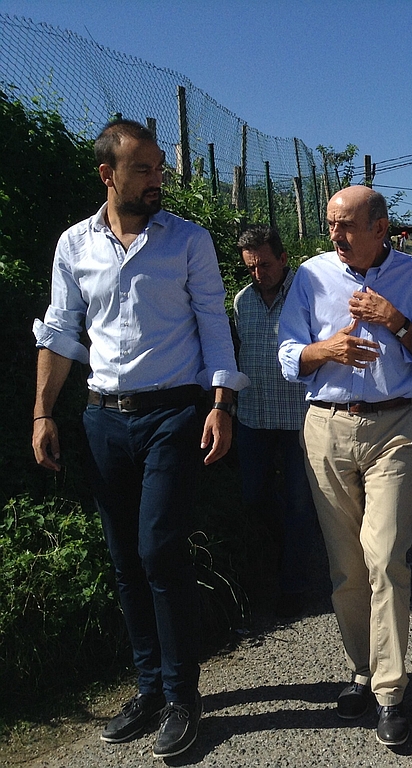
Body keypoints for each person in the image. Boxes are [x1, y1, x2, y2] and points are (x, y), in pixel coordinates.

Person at [31, 119, 248, 759]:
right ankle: (149, 687)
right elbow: (62, 332)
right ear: (109, 175)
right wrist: (44, 413)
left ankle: (183, 696)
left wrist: (221, 403)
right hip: (103, 417)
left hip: (174, 414)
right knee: (125, 557)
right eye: (145, 169)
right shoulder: (75, 245)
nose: (158, 180)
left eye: (160, 168)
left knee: (159, 548)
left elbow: (214, 320)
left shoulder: (187, 240)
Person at [277, 185, 412, 747]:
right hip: (325, 428)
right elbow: (285, 356)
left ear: (380, 228)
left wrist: (397, 321)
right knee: (347, 566)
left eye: (346, 225)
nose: (334, 234)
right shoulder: (309, 277)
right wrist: (322, 350)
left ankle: (391, 693)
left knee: (386, 556)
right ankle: (363, 668)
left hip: (394, 427)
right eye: (330, 223)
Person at [233, 224, 320, 618]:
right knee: (253, 497)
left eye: (265, 265)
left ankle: (294, 587)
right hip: (253, 417)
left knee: (301, 506)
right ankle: (280, 560)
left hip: (299, 419)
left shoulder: (306, 298)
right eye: (251, 267)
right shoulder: (241, 302)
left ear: (284, 259)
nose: (258, 274)